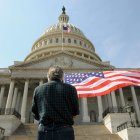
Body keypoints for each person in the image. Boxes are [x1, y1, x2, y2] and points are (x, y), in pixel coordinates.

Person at [32, 65, 79, 140]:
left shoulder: (38, 89)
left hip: (44, 130)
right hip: (65, 130)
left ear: (48, 76)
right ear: (62, 77)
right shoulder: (71, 89)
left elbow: (35, 112)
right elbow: (75, 111)